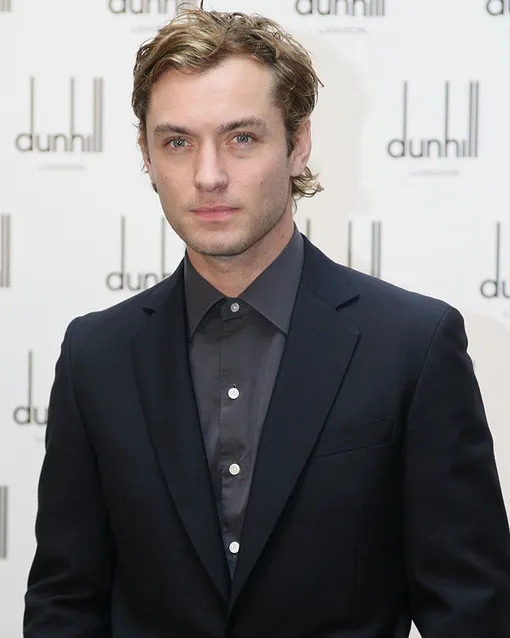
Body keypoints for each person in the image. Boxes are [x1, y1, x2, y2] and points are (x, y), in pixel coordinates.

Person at [24, 6, 510, 638]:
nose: (208, 176)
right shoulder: (96, 355)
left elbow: (471, 610)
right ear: (146, 155)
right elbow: (64, 601)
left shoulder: (412, 346)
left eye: (242, 138)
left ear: (298, 144)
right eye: (177, 142)